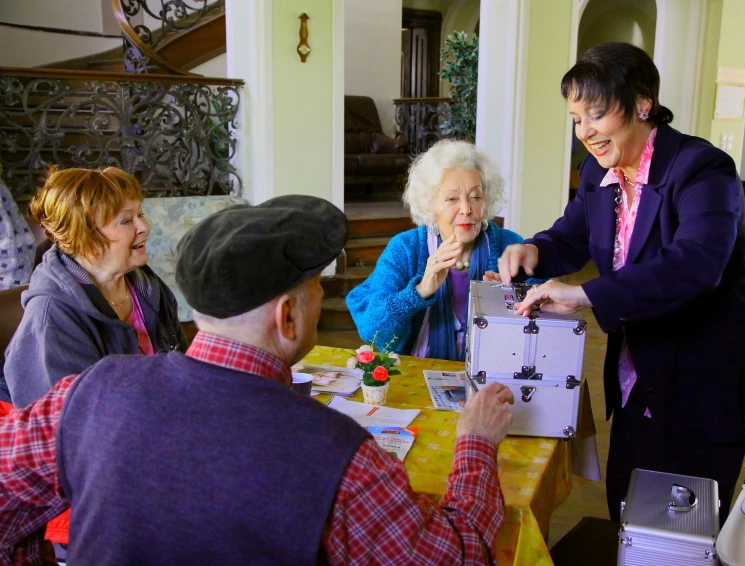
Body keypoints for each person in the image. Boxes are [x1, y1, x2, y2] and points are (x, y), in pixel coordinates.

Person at [0, 194, 516, 565]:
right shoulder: (340, 458)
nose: (321, 297)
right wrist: (475, 443)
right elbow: (460, 555)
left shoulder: (88, 393)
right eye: (317, 286)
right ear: (287, 316)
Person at [498, 42, 745, 521]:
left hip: (705, 376)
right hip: (639, 374)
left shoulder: (701, 169)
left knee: (682, 527)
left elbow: (696, 263)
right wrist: (535, 249)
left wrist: (586, 294)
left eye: (596, 114)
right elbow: (573, 233)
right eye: (575, 118)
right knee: (625, 508)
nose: (584, 131)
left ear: (642, 104)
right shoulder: (597, 170)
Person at [3, 167, 187, 408]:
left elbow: (181, 364)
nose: (144, 226)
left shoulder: (146, 286)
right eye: (126, 220)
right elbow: (70, 421)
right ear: (83, 233)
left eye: (140, 214)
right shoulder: (51, 317)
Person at [346, 139, 539, 360]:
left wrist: (507, 302)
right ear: (430, 205)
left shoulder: (510, 246)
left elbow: (542, 329)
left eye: (476, 197)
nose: (466, 209)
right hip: (418, 374)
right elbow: (373, 331)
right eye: (451, 199)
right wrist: (419, 291)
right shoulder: (406, 249)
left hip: (491, 378)